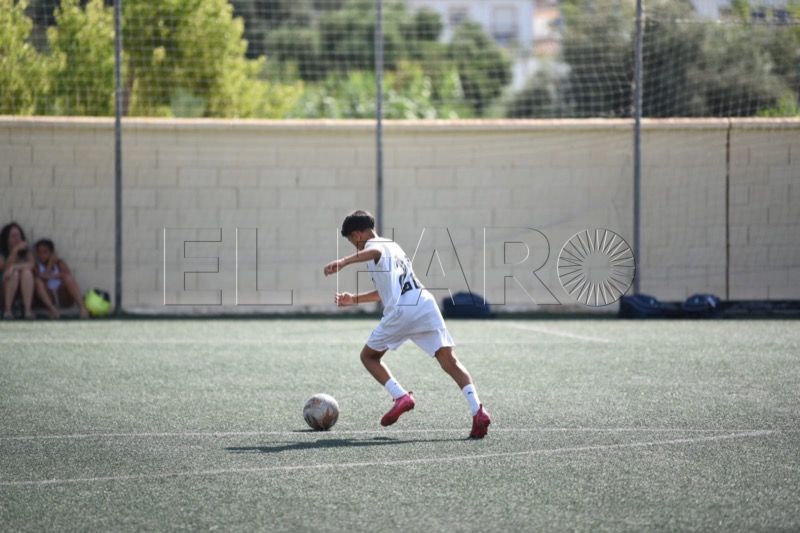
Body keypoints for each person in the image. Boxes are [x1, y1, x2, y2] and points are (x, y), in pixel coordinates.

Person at [323, 210, 491, 438]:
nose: (355, 246)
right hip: (424, 303)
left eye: (353, 241)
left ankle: (401, 396)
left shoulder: (374, 246)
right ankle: (478, 410)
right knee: (450, 361)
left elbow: (374, 251)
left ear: (357, 235)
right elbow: (385, 291)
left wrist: (343, 262)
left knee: (369, 357)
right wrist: (354, 299)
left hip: (403, 310)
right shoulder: (393, 246)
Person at [33, 239, 89, 319]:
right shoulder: (37, 265)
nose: (42, 255)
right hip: (49, 297)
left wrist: (49, 275)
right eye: (39, 252)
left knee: (68, 278)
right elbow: (41, 277)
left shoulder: (59, 263)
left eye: (45, 252)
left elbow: (67, 275)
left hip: (62, 296)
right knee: (38, 281)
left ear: (51, 253)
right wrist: (50, 264)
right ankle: (52, 309)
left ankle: (82, 308)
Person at [1, 222, 36, 320]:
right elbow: (4, 267)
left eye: (18, 235)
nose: (16, 238)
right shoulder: (2, 251)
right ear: (6, 238)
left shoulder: (26, 250)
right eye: (13, 236)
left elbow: (32, 264)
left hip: (23, 286)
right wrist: (15, 250)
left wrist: (14, 267)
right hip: (4, 286)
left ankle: (28, 311)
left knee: (27, 273)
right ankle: (7, 311)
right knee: (14, 274)